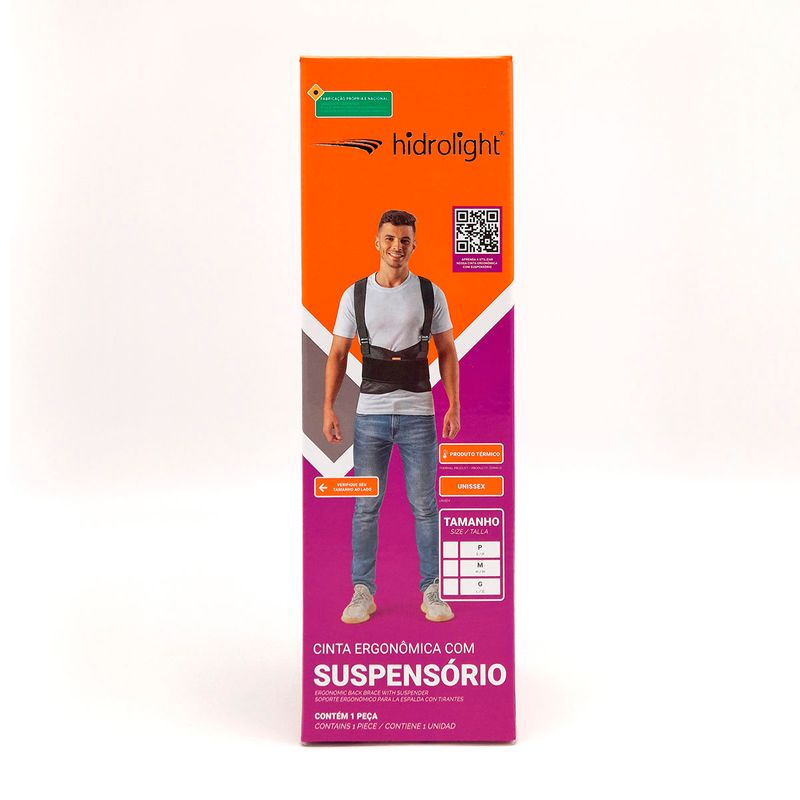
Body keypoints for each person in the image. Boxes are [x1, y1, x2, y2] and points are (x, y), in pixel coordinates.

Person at [323, 209, 461, 624]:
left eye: (404, 240)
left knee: (424, 506)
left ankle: (431, 590)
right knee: (366, 506)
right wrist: (328, 407)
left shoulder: (430, 293)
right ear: (376, 242)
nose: (396, 247)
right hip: (371, 418)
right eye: (389, 238)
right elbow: (338, 353)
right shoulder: (355, 295)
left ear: (414, 244)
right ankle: (362, 591)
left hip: (419, 416)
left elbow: (447, 350)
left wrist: (454, 404)